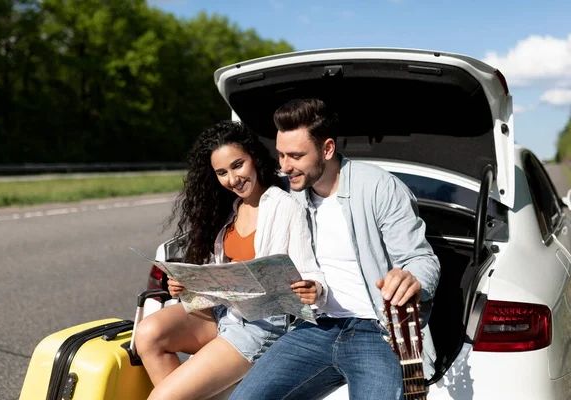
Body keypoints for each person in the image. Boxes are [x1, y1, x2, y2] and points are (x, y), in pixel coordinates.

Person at [230, 98, 441, 400]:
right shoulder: (292, 196)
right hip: (316, 328)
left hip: (378, 333)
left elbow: (421, 259)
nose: (285, 166)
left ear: (327, 149)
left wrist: (412, 279)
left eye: (295, 156)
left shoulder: (379, 188)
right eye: (280, 155)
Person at [134, 120, 328, 400]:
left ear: (254, 158)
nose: (232, 179)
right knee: (148, 333)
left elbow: (310, 270)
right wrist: (186, 286)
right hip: (222, 311)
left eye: (238, 165)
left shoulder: (285, 206)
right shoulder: (231, 211)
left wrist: (313, 287)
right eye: (222, 172)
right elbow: (221, 279)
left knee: (163, 398)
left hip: (261, 323)